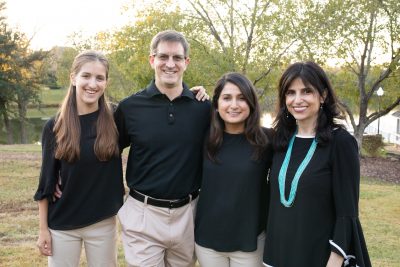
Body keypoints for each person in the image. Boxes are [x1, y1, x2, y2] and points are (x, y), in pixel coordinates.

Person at [114, 30, 211, 267]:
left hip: (188, 214)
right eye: (163, 57)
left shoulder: (203, 109)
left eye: (177, 58)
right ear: (152, 60)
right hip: (143, 215)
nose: (170, 64)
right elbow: (107, 152)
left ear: (186, 63)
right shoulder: (130, 108)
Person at [263, 62, 371, 267]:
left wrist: (335, 260)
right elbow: (237, 123)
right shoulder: (279, 141)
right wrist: (201, 102)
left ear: (323, 96)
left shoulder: (340, 143)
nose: (297, 100)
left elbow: (347, 213)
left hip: (320, 258)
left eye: (306, 91)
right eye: (290, 93)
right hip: (277, 255)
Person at [34, 50, 124, 266]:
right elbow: (46, 183)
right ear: (73, 78)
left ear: (106, 82)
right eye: (86, 76)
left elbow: (151, 116)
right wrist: (43, 230)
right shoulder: (55, 126)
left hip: (102, 222)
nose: (92, 84)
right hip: (62, 225)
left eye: (99, 78)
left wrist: (193, 94)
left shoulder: (117, 119)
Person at [194, 72, 273, 267]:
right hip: (208, 243)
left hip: (251, 243)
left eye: (242, 98)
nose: (234, 105)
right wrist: (188, 97)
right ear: (216, 103)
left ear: (252, 103)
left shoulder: (268, 139)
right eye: (227, 98)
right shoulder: (203, 138)